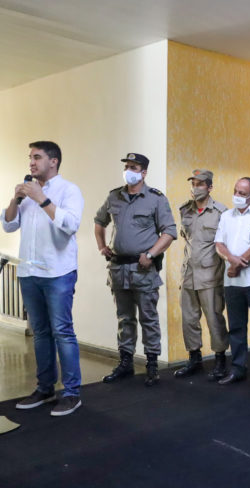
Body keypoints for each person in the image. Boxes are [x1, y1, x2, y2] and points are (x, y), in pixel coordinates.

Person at [2, 141, 84, 416]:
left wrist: (42, 199)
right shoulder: (27, 192)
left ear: (53, 161)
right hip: (29, 272)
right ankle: (45, 388)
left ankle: (71, 393)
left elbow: (70, 225)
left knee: (62, 332)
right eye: (30, 157)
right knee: (40, 333)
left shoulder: (69, 190)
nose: (31, 162)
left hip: (58, 272)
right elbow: (9, 224)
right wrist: (16, 199)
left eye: (37, 157)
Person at [94, 153, 177, 387]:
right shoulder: (114, 196)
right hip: (118, 268)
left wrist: (151, 254)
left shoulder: (155, 198)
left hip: (143, 270)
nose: (129, 171)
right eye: (127, 167)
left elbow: (169, 232)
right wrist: (102, 246)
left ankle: (152, 365)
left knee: (148, 318)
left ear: (144, 172)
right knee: (124, 318)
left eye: (134, 167)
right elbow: (99, 221)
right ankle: (125, 363)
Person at [214, 176, 250, 388]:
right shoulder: (226, 216)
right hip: (232, 283)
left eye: (242, 193)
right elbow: (219, 244)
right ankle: (237, 369)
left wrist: (237, 265)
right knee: (236, 328)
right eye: (235, 191)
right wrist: (231, 260)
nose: (237, 196)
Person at [174, 170, 229, 380]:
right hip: (188, 274)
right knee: (189, 320)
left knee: (214, 319)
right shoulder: (185, 210)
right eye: (193, 184)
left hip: (210, 275)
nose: (195, 188)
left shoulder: (221, 212)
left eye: (200, 184)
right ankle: (194, 359)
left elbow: (224, 244)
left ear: (209, 187)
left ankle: (220, 360)